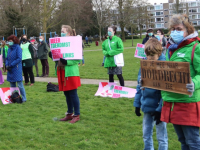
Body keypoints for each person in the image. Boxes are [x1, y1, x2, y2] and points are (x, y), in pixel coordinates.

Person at [161, 14, 200, 149]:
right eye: (173, 29)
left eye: (178, 29)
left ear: (188, 30)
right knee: (183, 141)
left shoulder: (196, 47)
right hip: (173, 101)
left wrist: (194, 83)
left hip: (188, 102)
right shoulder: (171, 48)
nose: (175, 32)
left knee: (193, 143)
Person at [134, 38, 168, 150]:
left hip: (159, 108)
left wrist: (160, 109)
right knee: (146, 134)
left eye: (152, 55)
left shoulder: (165, 66)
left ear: (159, 54)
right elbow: (140, 85)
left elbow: (166, 91)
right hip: (147, 106)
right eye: (147, 55)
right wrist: (137, 104)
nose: (149, 58)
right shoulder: (144, 65)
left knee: (161, 137)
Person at [58, 25, 81, 124]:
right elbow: (60, 56)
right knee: (66, 93)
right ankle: (69, 113)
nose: (62, 33)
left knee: (73, 94)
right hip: (62, 71)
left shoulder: (75, 43)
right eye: (61, 31)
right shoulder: (60, 43)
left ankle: (77, 114)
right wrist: (53, 56)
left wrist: (67, 62)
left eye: (63, 31)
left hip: (71, 72)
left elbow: (78, 59)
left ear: (69, 33)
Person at [6, 35, 27, 102]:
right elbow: (7, 58)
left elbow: (19, 58)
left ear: (14, 41)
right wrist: (7, 65)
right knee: (12, 84)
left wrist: (11, 65)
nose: (9, 42)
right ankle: (14, 97)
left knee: (20, 84)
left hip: (16, 68)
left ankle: (24, 98)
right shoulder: (9, 48)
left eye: (10, 41)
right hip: (10, 68)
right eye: (8, 41)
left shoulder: (18, 48)